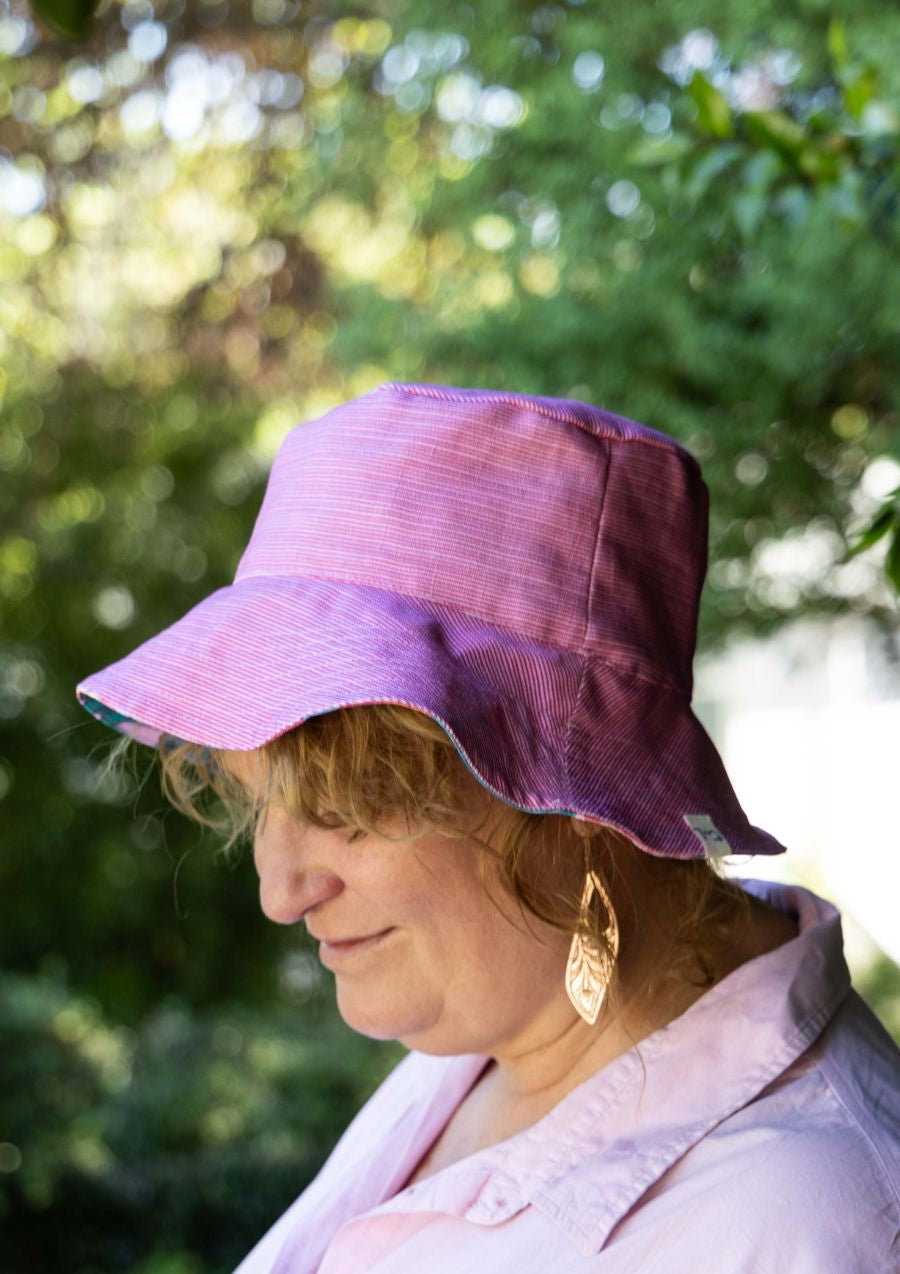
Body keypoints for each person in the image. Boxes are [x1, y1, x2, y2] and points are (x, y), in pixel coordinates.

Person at [77, 382, 900, 1272]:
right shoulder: (500, 1024)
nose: (280, 894)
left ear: (579, 802)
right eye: (258, 795)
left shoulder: (800, 1230)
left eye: (346, 807)